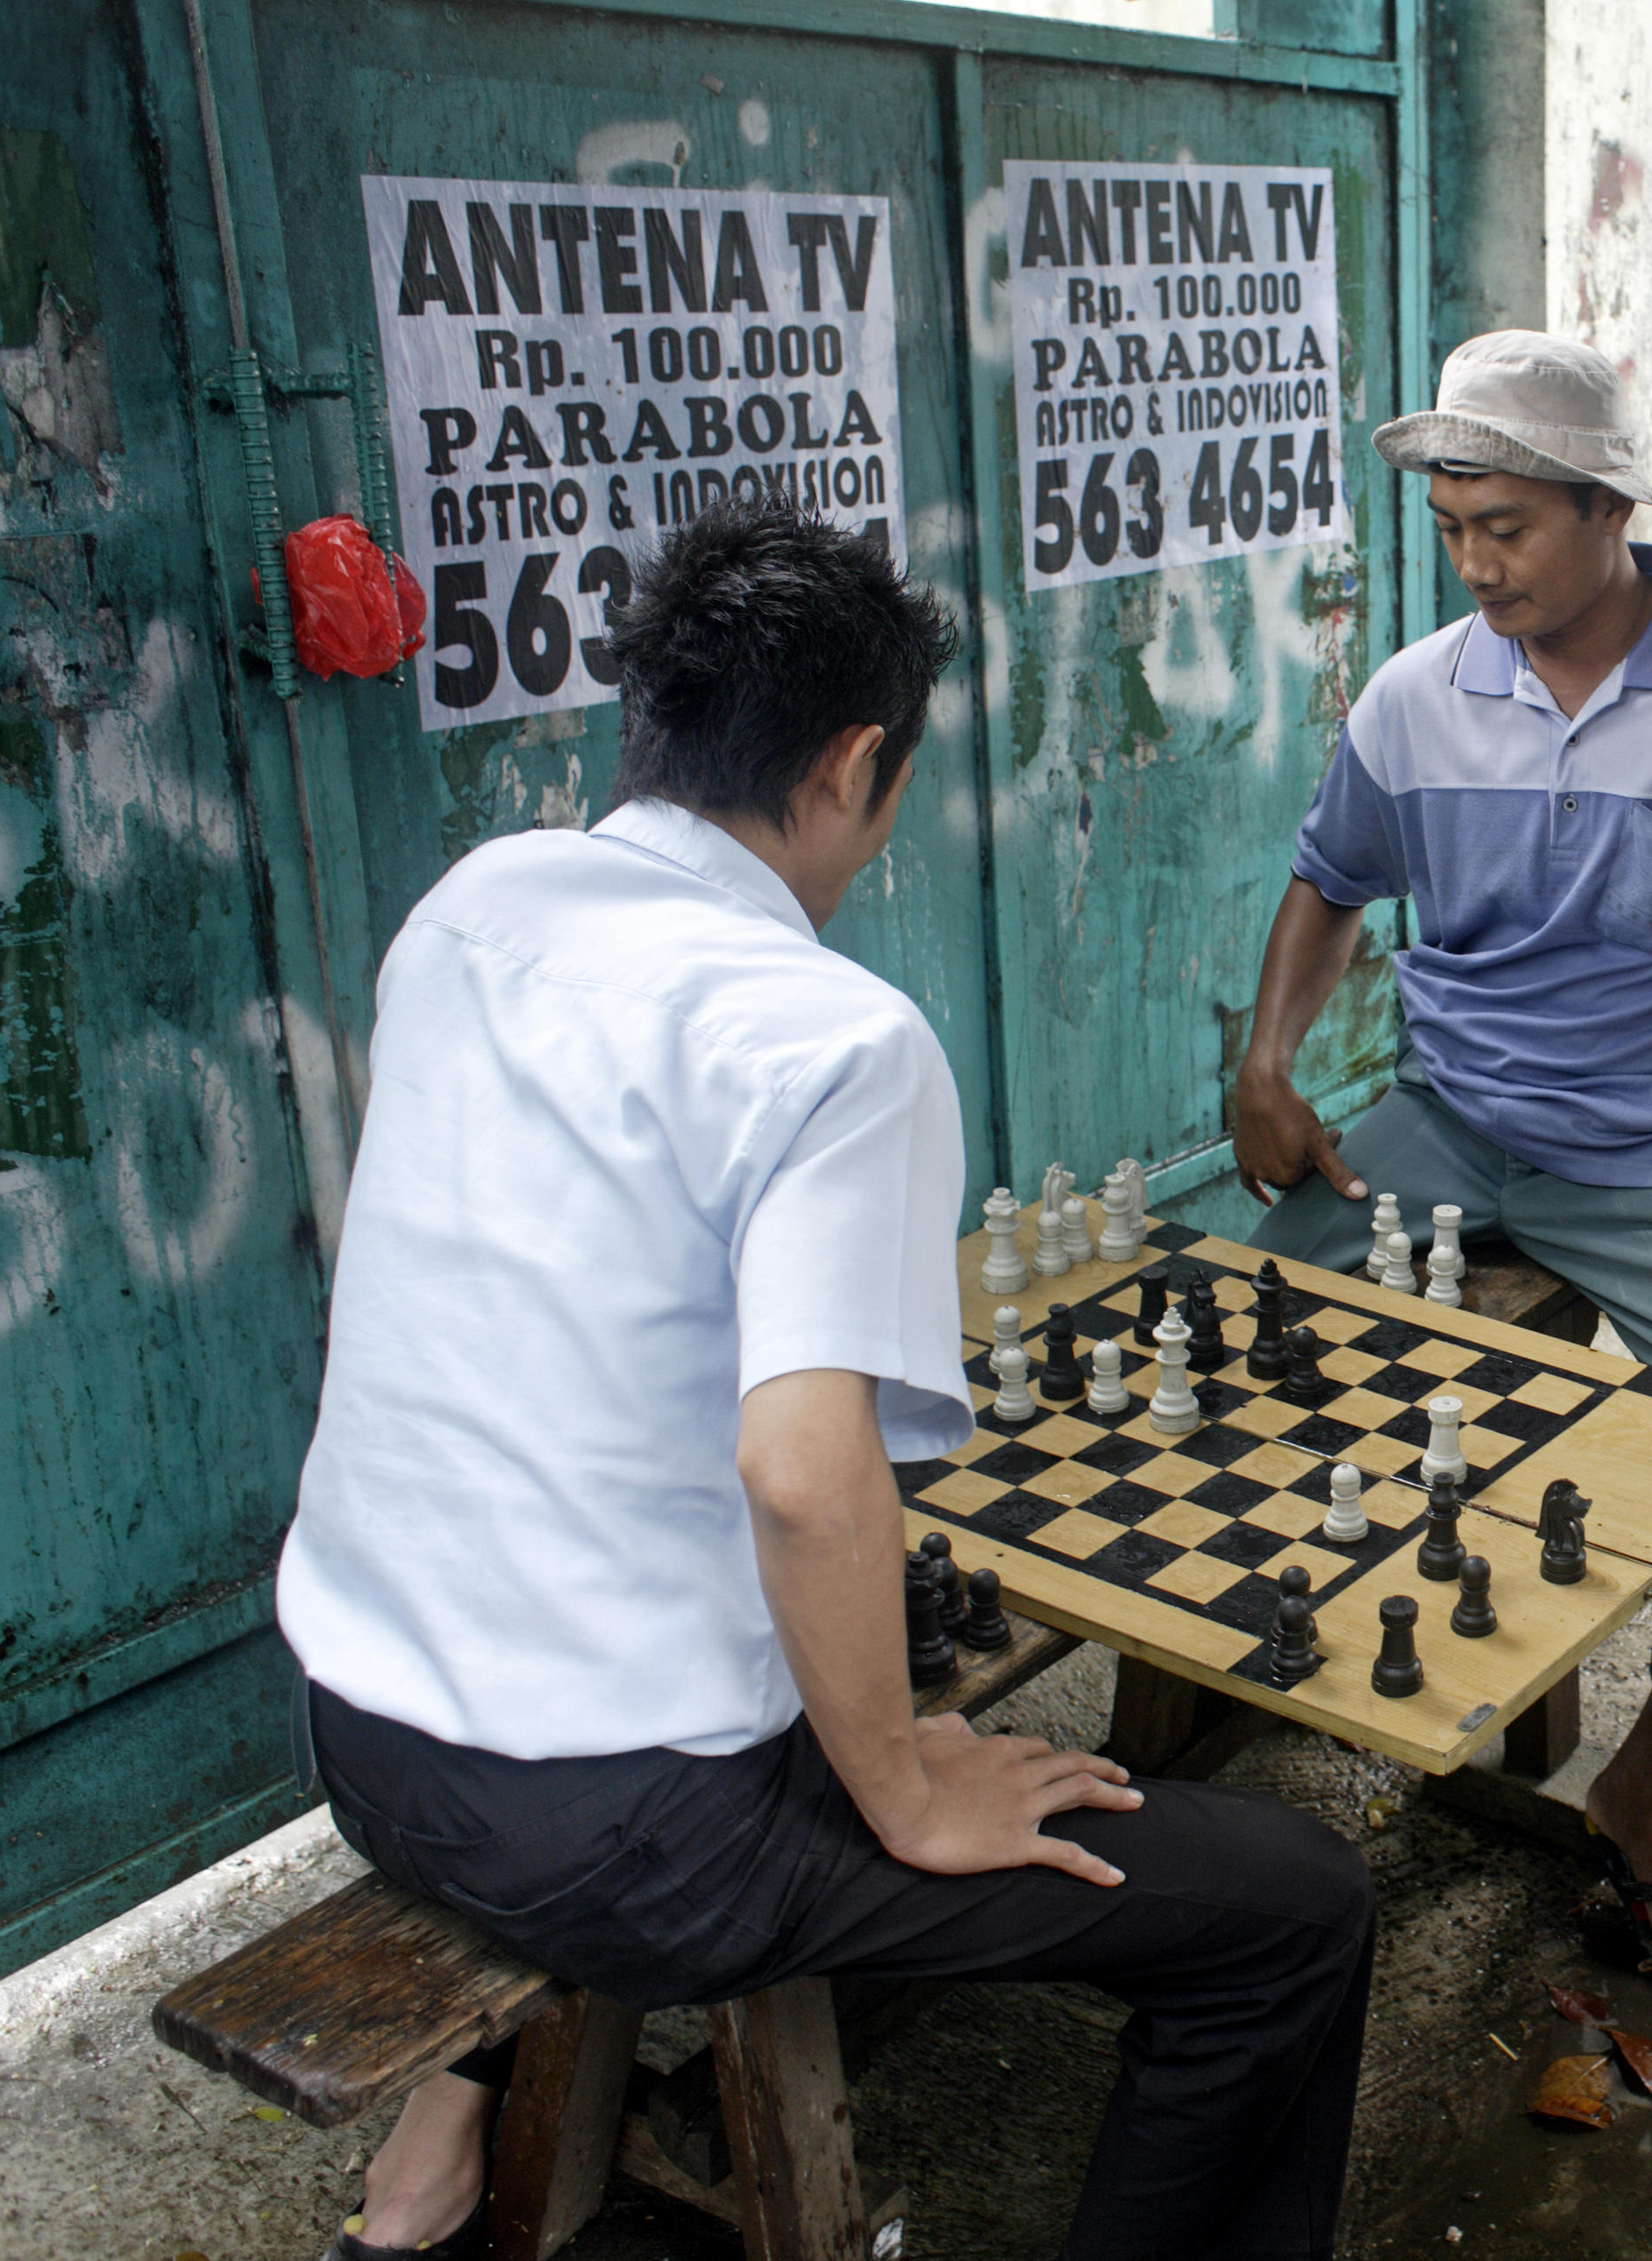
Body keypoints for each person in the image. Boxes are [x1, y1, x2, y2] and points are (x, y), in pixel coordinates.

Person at [280, 496, 1372, 2261]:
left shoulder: (470, 909)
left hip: (359, 1731)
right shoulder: (830, 1036)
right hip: (618, 1823)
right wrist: (906, 1790)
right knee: (1297, 1910)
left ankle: (440, 2147)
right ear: (857, 761)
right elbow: (804, 1473)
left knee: (865, 1661)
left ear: (647, 723)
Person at [1233, 331, 1652, 1990]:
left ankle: (1645, 1796)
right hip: (1443, 1129)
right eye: (1451, 529)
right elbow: (1329, 877)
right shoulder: (1417, 694)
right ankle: (1265, 1718)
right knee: (1224, 1350)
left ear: (1607, 509)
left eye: (1505, 525)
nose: (1475, 561)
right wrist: (1267, 1058)